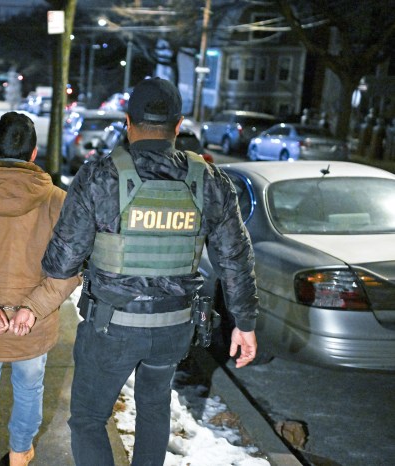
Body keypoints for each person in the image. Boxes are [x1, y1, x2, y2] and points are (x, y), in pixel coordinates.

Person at [42, 77, 259, 466]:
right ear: (177, 125)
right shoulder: (208, 180)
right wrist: (245, 323)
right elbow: (236, 258)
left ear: (128, 121)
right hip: (174, 328)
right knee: (155, 408)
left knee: (89, 420)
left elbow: (62, 262)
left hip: (111, 328)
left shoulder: (99, 176)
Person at [0, 112, 81, 466]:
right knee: (28, 389)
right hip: (32, 325)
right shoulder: (58, 202)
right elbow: (71, 269)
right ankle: (21, 453)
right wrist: (32, 307)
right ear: (34, 154)